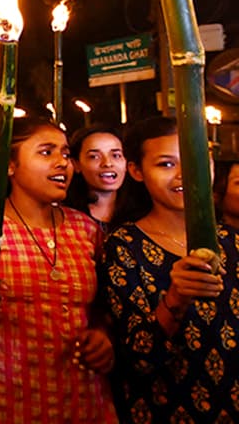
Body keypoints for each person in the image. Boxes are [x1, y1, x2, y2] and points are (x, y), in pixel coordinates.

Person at [0, 116, 117, 422]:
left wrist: (102, 335)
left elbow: (103, 307)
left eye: (65, 154)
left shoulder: (86, 228)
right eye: (46, 152)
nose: (62, 163)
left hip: (82, 394)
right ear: (10, 165)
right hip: (6, 395)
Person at [99, 116, 238, 422]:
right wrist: (176, 298)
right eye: (166, 164)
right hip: (168, 409)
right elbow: (140, 357)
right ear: (136, 171)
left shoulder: (233, 240)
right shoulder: (123, 247)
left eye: (195, 160)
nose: (184, 175)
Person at [65, 125, 125, 241]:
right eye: (94, 157)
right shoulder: (64, 217)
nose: (107, 163)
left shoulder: (143, 214)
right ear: (76, 164)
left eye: (116, 155)